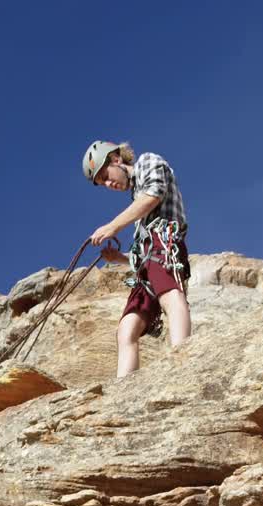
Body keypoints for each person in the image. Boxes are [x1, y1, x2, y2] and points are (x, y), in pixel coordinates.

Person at [83, 140, 192, 378]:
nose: (109, 184)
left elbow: (153, 196)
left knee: (170, 296)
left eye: (106, 175)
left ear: (116, 159)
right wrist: (119, 258)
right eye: (103, 183)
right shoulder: (136, 201)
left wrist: (112, 227)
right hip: (148, 261)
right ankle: (125, 389)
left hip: (164, 240)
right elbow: (141, 254)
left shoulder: (147, 161)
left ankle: (184, 361)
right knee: (126, 329)